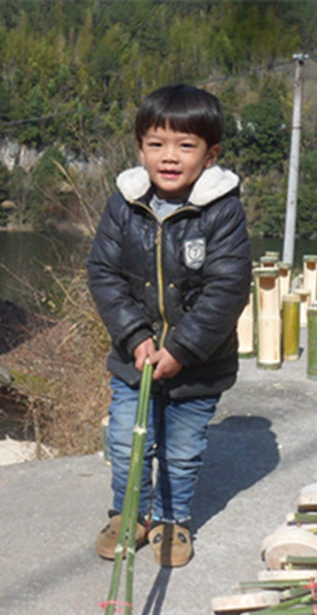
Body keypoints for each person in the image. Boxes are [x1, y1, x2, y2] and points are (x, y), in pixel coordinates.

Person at [86, 83, 252, 567]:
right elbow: (104, 273)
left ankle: (172, 520)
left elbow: (227, 290)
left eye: (186, 145)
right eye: (156, 144)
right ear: (140, 148)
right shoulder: (125, 202)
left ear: (210, 153)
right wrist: (135, 337)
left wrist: (180, 350)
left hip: (197, 365)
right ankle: (128, 514)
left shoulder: (222, 210)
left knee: (180, 451)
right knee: (126, 437)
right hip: (132, 360)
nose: (169, 157)